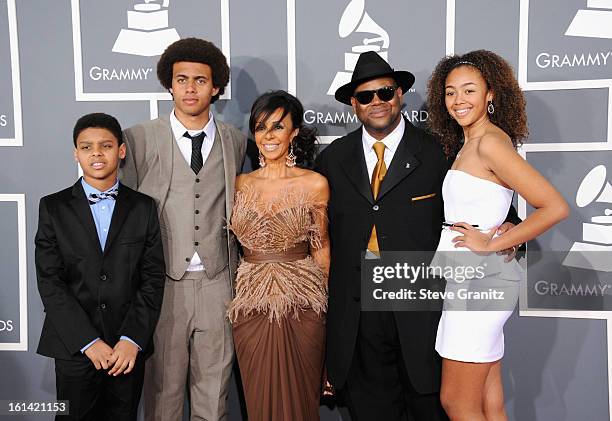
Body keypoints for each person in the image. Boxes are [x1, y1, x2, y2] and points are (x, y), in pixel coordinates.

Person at [315, 51, 522, 421]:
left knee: (434, 408)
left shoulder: (439, 150)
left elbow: (489, 205)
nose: (376, 101)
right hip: (358, 313)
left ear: (400, 95)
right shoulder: (332, 159)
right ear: (353, 104)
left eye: (385, 92)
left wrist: (509, 231)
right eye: (365, 96)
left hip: (423, 307)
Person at [426, 50, 569, 421]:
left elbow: (554, 206)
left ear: (491, 94)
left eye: (469, 90)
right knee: (489, 400)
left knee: (457, 403)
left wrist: (492, 243)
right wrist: (506, 228)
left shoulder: (489, 142)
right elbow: (492, 199)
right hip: (475, 279)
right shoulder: (474, 141)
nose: (459, 100)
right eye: (450, 92)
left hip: (480, 281)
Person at [120, 38, 247, 421]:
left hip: (218, 282)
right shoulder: (138, 139)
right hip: (162, 284)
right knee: (162, 395)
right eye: (181, 80)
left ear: (217, 88)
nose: (190, 88)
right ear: (169, 85)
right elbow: (125, 216)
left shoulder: (236, 141)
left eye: (200, 80)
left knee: (214, 394)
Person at [35, 113, 165, 421]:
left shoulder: (144, 207)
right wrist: (88, 342)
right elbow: (50, 281)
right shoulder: (52, 207)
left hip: (126, 351)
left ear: (121, 151)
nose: (96, 153)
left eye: (105, 145)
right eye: (86, 147)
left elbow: (153, 278)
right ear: (75, 153)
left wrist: (132, 339)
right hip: (74, 348)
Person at [227, 90, 330, 421]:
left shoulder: (315, 184)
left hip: (304, 305)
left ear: (294, 132)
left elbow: (322, 248)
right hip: (251, 305)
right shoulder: (239, 184)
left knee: (301, 402)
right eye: (260, 127)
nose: (268, 136)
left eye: (277, 127)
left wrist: (334, 313)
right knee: (258, 403)